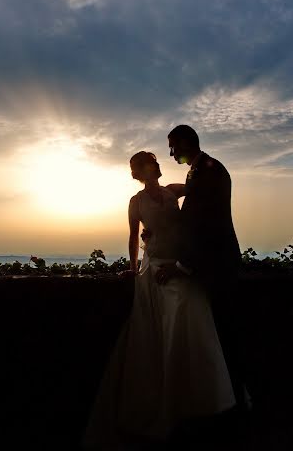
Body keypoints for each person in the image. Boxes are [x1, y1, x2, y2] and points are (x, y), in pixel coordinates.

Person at [82, 151, 236, 450]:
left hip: (176, 266)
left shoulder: (174, 191)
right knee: (156, 331)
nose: (140, 169)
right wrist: (132, 265)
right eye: (137, 166)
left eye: (142, 164)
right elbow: (132, 236)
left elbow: (200, 202)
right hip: (153, 268)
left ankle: (197, 400)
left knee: (188, 315)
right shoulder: (135, 202)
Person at [156, 125, 246, 414]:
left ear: (186, 142)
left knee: (225, 340)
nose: (171, 154)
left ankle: (233, 407)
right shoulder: (202, 169)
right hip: (215, 265)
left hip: (218, 268)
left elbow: (205, 226)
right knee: (220, 339)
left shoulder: (208, 170)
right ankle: (228, 404)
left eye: (173, 147)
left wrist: (181, 265)